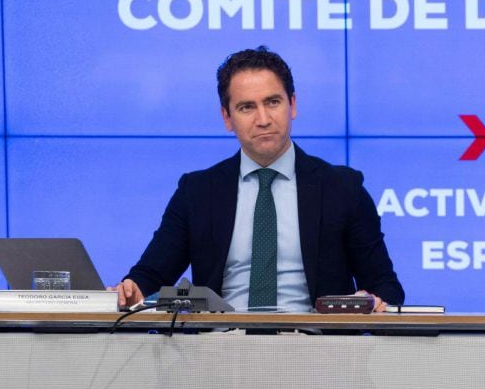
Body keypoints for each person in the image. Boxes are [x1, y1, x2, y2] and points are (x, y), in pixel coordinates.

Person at [111, 46, 404, 312]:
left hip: (317, 350)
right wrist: (131, 289)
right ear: (227, 118)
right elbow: (149, 276)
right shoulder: (198, 191)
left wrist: (371, 300)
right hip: (218, 349)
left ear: (293, 105)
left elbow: (386, 288)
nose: (263, 119)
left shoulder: (342, 188)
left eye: (273, 102)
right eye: (246, 107)